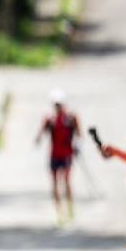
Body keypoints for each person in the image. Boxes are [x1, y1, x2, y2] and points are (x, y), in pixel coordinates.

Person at [35, 89, 81, 225]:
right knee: (55, 184)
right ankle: (58, 212)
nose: (58, 107)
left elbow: (79, 135)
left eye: (59, 104)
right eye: (55, 105)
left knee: (66, 182)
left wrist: (77, 147)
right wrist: (38, 138)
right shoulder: (50, 119)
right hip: (54, 155)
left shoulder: (71, 118)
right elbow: (41, 133)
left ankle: (70, 208)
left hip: (67, 155)